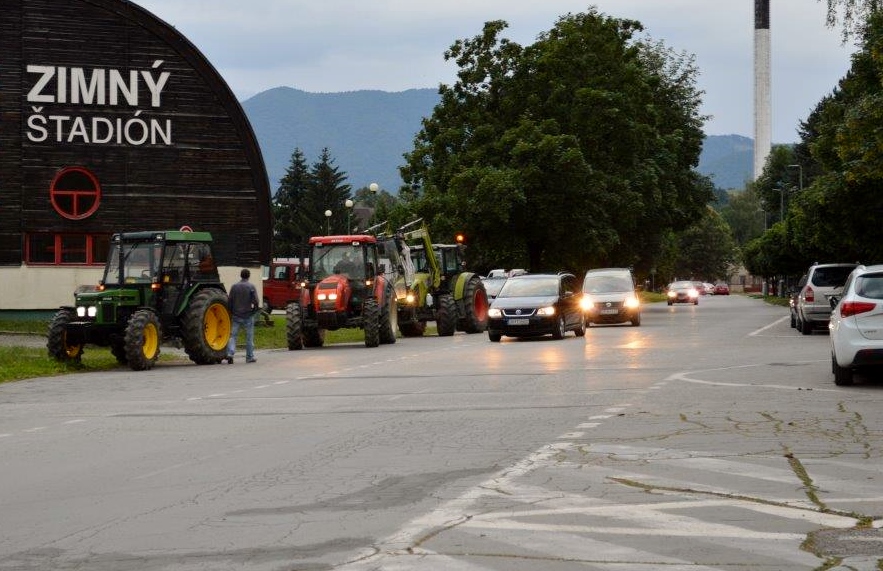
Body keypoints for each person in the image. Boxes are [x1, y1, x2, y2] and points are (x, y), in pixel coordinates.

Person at [226, 268, 259, 364]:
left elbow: (230, 301)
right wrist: (254, 311)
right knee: (249, 337)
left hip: (236, 315)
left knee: (233, 336)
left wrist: (231, 312)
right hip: (248, 315)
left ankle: (230, 354)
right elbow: (256, 301)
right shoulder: (251, 286)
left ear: (241, 275)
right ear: (248, 276)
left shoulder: (234, 287)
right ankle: (249, 357)